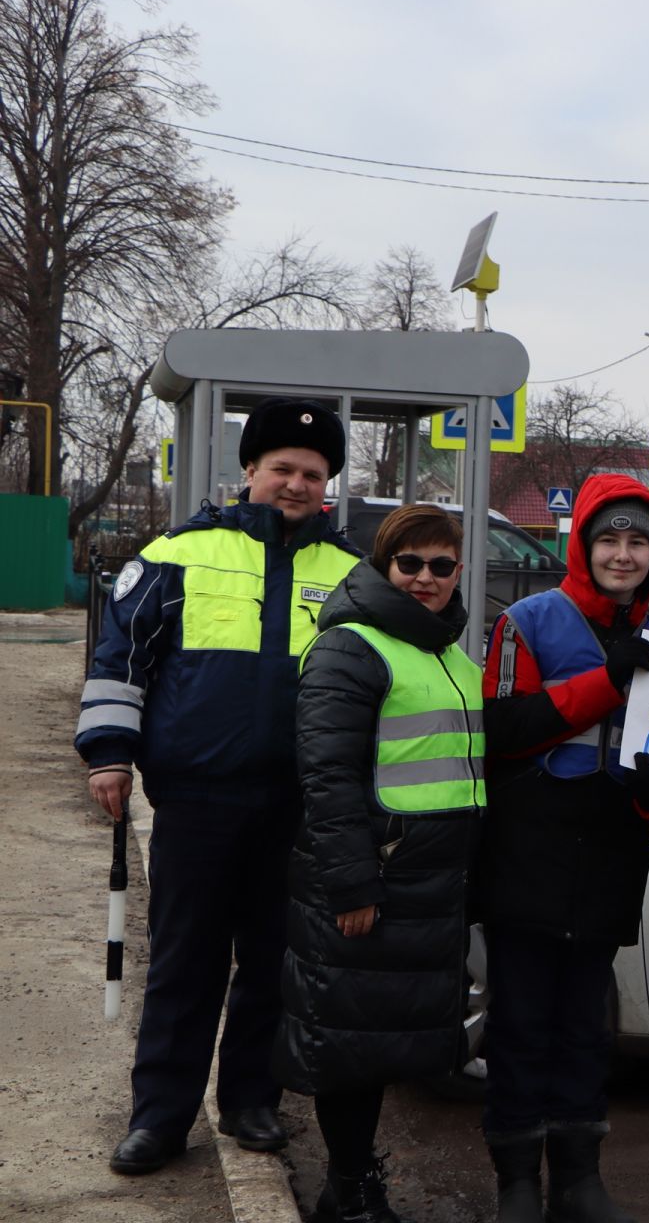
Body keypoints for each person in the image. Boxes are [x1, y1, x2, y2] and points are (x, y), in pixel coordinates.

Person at [75, 398, 359, 1175]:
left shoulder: (352, 575)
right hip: (199, 800)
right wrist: (109, 753)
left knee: (274, 962)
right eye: (282, 470)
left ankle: (250, 1101)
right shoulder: (177, 553)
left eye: (312, 473)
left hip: (299, 805)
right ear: (250, 472)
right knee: (184, 964)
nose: (296, 484)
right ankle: (160, 1119)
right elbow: (120, 660)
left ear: (327, 481)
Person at [478, 474, 649, 1223]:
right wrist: (605, 682)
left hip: (609, 854)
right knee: (521, 1023)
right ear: (583, 546)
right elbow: (502, 733)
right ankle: (517, 1182)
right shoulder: (528, 621)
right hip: (528, 848)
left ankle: (579, 1178)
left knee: (585, 1028)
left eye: (638, 542)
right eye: (610, 539)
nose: (623, 554)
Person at [277, 504, 486, 1223]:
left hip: (427, 882)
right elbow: (326, 778)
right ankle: (349, 1187)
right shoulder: (349, 647)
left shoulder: (449, 653)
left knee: (376, 1039)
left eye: (440, 565)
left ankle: (357, 1179)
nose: (425, 578)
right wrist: (352, 882)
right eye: (409, 564)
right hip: (375, 879)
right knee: (351, 1042)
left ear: (458, 571)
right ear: (382, 566)